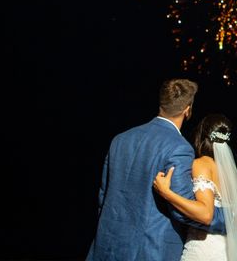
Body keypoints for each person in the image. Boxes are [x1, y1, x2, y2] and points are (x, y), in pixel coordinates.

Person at [87, 79, 224, 261]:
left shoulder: (120, 140)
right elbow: (180, 210)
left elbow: (103, 197)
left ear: (162, 104)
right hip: (150, 251)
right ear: (187, 110)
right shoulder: (179, 148)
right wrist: (226, 219)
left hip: (107, 246)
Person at [153, 114, 237, 261]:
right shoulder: (229, 172)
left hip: (204, 251)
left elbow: (206, 214)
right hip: (226, 252)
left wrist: (166, 193)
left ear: (200, 135)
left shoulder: (202, 164)